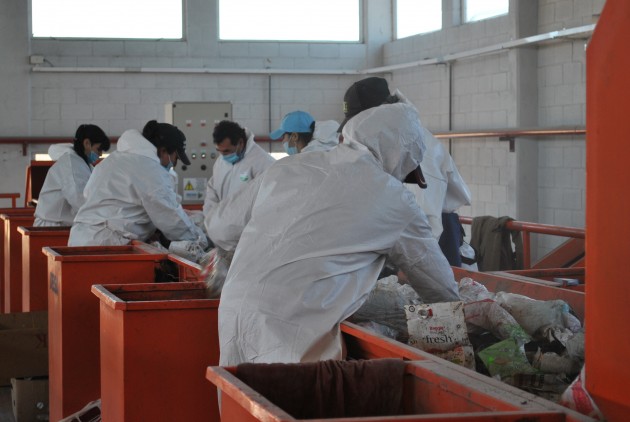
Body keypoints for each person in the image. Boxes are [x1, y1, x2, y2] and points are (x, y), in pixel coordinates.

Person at [206, 100, 460, 366]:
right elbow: (439, 287)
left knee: (242, 401)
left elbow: (221, 227)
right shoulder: (394, 197)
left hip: (236, 308)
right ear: (401, 156)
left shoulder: (290, 167)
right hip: (293, 324)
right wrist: (460, 332)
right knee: (290, 404)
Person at [339, 77, 471, 265]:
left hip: (436, 240)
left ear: (378, 114)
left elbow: (426, 225)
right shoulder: (390, 141)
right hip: (410, 234)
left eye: (359, 122)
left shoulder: (416, 148)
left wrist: (402, 269)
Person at [68, 120, 207, 250]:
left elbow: (91, 195)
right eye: (175, 158)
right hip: (106, 244)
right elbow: (172, 219)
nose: (173, 164)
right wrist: (202, 242)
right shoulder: (150, 169)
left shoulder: (115, 159)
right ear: (164, 151)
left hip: (81, 238)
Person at [34, 124, 110, 227]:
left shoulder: (82, 164)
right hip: (52, 227)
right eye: (98, 149)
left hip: (62, 224)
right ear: (87, 143)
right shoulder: (71, 164)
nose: (100, 154)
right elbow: (80, 200)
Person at [202, 120, 274, 216]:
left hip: (248, 227)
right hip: (221, 225)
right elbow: (212, 190)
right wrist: (210, 216)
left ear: (240, 143)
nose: (223, 155)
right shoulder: (220, 162)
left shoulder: (262, 163)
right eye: (220, 151)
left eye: (227, 151)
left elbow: (266, 201)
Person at [269, 110, 339, 154]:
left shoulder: (301, 165)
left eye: (283, 137)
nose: (283, 141)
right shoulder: (328, 154)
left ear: (294, 136)